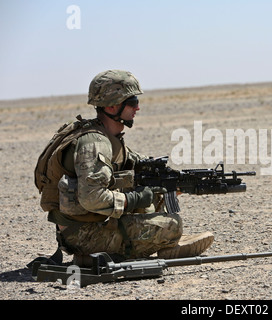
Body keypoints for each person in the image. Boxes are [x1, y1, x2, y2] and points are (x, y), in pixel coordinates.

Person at [40, 70, 214, 265]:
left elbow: (137, 166)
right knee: (173, 225)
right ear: (113, 106)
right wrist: (132, 200)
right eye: (132, 102)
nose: (137, 108)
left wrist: (172, 184)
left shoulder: (106, 137)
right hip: (83, 235)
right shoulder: (94, 143)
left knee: (154, 199)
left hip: (84, 226)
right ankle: (99, 253)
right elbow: (91, 197)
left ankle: (151, 243)